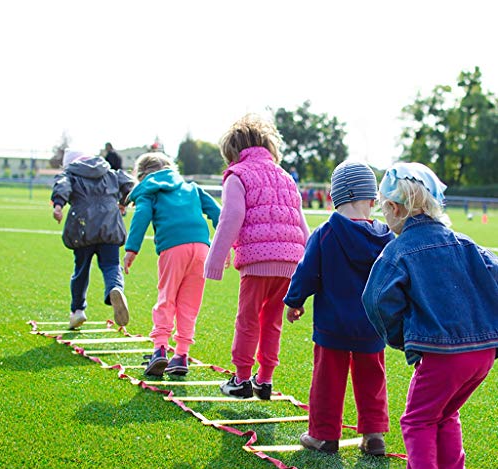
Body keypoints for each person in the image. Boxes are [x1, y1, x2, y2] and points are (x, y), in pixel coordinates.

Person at [362, 162, 498, 469]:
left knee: (417, 419)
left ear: (394, 209)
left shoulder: (398, 250)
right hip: (482, 354)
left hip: (443, 355)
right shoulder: (466, 244)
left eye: (384, 208)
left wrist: (400, 336)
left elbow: (376, 300)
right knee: (446, 414)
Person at [284, 160, 395, 455]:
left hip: (332, 324)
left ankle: (324, 435)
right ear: (372, 199)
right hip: (373, 325)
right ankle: (374, 435)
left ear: (334, 197)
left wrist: (294, 301)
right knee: (372, 378)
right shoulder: (388, 237)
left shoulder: (325, 233)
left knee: (327, 380)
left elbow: (306, 272)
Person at [204, 114, 310, 400]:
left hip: (257, 260)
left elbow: (232, 216)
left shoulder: (237, 175)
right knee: (272, 321)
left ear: (233, 151)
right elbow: (302, 224)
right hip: (290, 262)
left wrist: (216, 257)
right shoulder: (286, 177)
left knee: (247, 319)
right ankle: (264, 380)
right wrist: (310, 266)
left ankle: (240, 379)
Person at [123, 152, 221, 376]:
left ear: (141, 175)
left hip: (173, 248)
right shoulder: (192, 188)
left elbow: (142, 215)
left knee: (166, 297)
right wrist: (225, 245)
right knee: (189, 303)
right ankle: (181, 355)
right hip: (201, 248)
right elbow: (218, 213)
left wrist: (131, 249)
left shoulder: (150, 190)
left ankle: (159, 350)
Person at [51, 149, 134, 329]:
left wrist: (58, 205)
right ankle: (115, 288)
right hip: (110, 225)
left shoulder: (70, 174)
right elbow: (128, 183)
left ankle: (78, 310)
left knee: (81, 269)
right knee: (111, 265)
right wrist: (123, 202)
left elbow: (62, 186)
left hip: (82, 227)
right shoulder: (108, 171)